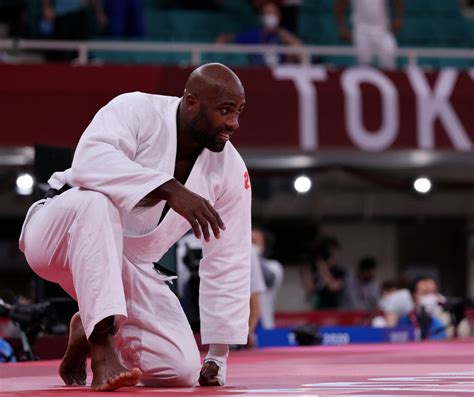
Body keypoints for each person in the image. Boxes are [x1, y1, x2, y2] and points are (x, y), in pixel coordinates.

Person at [19, 63, 251, 391]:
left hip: (123, 268)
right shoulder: (137, 110)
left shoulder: (229, 170)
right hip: (57, 237)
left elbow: (230, 256)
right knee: (96, 202)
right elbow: (90, 161)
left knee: (178, 370)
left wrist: (218, 356)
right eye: (225, 111)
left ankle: (90, 322)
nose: (233, 123)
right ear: (192, 102)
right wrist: (171, 189)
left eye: (239, 111)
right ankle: (102, 346)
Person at [216, 1, 303, 66]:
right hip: (259, 71)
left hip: (280, 72)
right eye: (268, 13)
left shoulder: (285, 34)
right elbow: (224, 38)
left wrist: (286, 36)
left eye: (274, 13)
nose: (271, 16)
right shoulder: (254, 34)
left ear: (279, 16)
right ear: (262, 16)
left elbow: (301, 51)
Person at [335, 0, 403, 69]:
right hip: (361, 30)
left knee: (389, 54)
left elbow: (397, 2)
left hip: (383, 30)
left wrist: (399, 19)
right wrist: (342, 27)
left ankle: (389, 78)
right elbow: (340, 5)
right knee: (364, 61)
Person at [251, 226, 283, 329]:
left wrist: (252, 253)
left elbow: (268, 279)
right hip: (244, 328)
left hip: (265, 326)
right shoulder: (241, 266)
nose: (250, 245)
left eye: (254, 241)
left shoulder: (274, 266)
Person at [303, 236, 346, 309]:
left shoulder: (340, 271)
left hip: (334, 310)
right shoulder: (313, 269)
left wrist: (322, 267)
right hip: (317, 310)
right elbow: (310, 288)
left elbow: (334, 287)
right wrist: (307, 267)